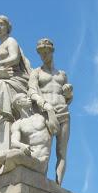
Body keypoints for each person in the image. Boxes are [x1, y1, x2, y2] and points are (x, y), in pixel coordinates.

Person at [29, 38, 73, 185]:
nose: (43, 55)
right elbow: (32, 92)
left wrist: (68, 94)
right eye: (41, 52)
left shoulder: (62, 75)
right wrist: (45, 105)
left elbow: (68, 99)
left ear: (52, 51)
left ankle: (58, 185)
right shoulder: (36, 72)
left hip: (64, 113)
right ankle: (42, 184)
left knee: (62, 153)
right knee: (44, 152)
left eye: (46, 51)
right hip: (45, 114)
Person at [0, 93, 53, 176]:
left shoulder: (41, 117)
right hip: (29, 156)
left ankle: (2, 178)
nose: (29, 99)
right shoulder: (17, 124)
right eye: (25, 97)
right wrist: (22, 146)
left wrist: (50, 110)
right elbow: (14, 142)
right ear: (19, 102)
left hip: (40, 161)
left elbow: (56, 129)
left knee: (13, 155)